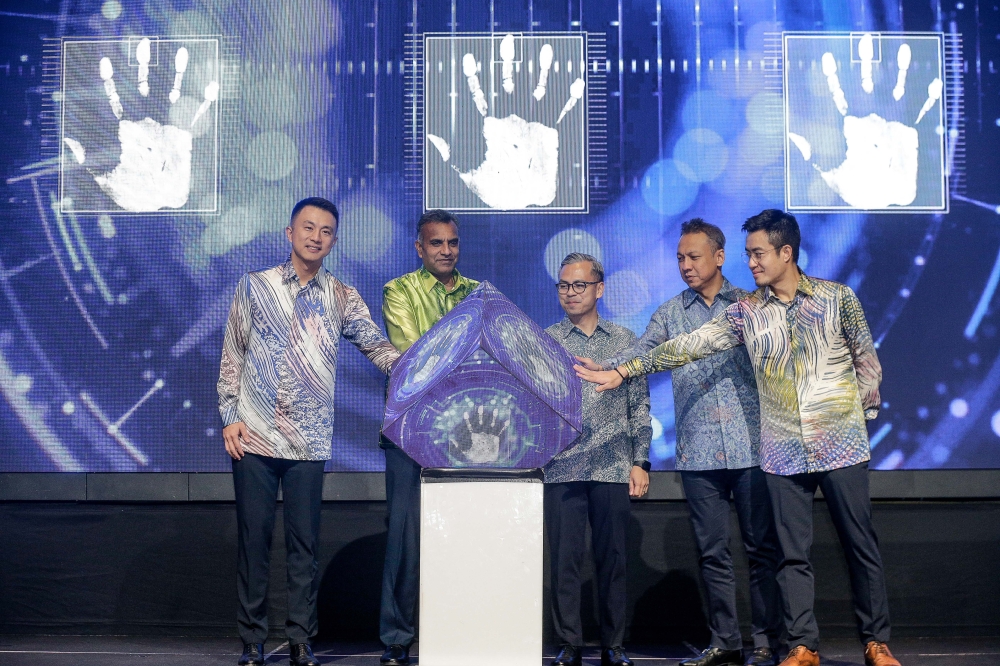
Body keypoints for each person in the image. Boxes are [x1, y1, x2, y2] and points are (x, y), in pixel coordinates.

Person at [575, 210, 900, 666]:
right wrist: (622, 369)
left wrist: (859, 417)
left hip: (840, 444)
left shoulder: (836, 298)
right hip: (783, 451)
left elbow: (867, 359)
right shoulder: (746, 313)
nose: (751, 263)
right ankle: (803, 645)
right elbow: (687, 345)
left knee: (859, 545)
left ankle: (876, 643)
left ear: (786, 253)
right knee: (791, 555)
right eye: (748, 254)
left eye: (758, 253)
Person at [582, 219, 781, 666]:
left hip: (752, 444)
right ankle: (726, 641)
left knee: (761, 548)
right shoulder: (671, 312)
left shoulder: (752, 305)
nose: (686, 266)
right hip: (698, 451)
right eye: (679, 258)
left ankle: (768, 639)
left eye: (693, 257)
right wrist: (608, 366)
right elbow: (644, 351)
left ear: (719, 256)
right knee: (713, 551)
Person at [218, 197, 400, 666]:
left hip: (308, 440)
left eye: (325, 231)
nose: (316, 236)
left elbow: (377, 348)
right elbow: (233, 353)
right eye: (308, 227)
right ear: (289, 232)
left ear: (334, 241)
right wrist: (228, 415)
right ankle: (252, 640)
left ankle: (301, 638)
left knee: (304, 545)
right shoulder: (254, 286)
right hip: (253, 435)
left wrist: (421, 368)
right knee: (253, 541)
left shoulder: (341, 295)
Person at [378, 209, 479, 666]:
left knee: (463, 533)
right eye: (435, 243)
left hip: (470, 431)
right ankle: (398, 638)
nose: (445, 251)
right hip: (410, 431)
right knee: (404, 537)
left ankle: (461, 628)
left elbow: (491, 357)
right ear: (419, 248)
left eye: (452, 243)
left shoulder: (479, 295)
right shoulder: (398, 290)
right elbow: (413, 357)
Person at [544, 253, 652, 666]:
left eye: (579, 285)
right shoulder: (546, 340)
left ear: (599, 288)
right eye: (564, 286)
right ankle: (569, 643)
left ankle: (614, 644)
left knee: (613, 561)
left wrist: (640, 460)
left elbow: (639, 407)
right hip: (562, 466)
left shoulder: (625, 341)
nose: (570, 293)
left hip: (611, 464)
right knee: (565, 562)